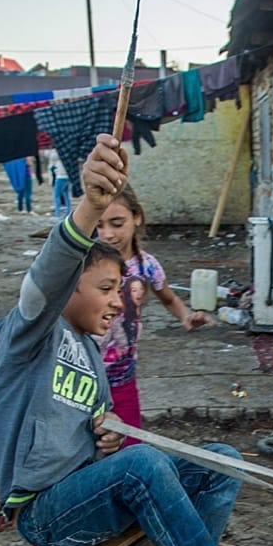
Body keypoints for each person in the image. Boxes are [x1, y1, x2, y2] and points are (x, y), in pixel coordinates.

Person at [0, 132, 270, 546]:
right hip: (46, 519)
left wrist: (102, 440)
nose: (119, 303)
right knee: (145, 462)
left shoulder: (92, 354)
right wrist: (90, 206)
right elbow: (45, 276)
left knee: (223, 458)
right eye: (107, 289)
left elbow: (86, 439)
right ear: (66, 290)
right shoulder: (29, 337)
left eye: (121, 289)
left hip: (84, 499)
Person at [95, 184, 211, 446]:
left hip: (122, 375)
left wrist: (186, 316)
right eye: (99, 225)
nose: (107, 234)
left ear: (137, 217)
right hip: (86, 375)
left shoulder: (146, 265)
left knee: (129, 445)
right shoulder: (86, 264)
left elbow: (168, 297)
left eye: (116, 223)